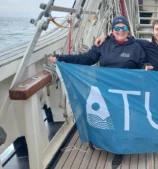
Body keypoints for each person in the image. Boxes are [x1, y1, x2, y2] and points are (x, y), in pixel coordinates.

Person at [48, 16, 149, 169]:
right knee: (100, 117)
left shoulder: (137, 46)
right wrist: (61, 58)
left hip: (125, 91)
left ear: (128, 30)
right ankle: (100, 140)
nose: (120, 31)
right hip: (104, 89)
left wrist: (146, 67)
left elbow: (143, 65)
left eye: (123, 28)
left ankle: (117, 151)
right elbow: (86, 58)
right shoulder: (103, 44)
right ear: (112, 30)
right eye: (117, 28)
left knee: (120, 121)